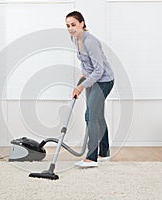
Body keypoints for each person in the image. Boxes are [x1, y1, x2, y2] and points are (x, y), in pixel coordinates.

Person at [65, 11, 114, 167]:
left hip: (104, 81)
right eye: (67, 26)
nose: (70, 28)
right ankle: (104, 153)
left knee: (90, 116)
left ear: (82, 23)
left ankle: (91, 158)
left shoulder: (90, 41)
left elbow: (99, 71)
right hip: (92, 80)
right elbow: (85, 62)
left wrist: (80, 87)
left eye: (73, 24)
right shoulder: (75, 39)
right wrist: (84, 75)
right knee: (97, 115)